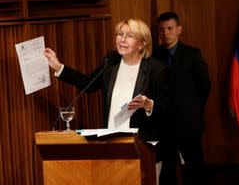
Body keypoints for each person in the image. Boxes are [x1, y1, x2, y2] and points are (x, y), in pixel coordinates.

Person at [44, 18, 167, 161]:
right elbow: (88, 83)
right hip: (111, 143)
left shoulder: (156, 69)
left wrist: (149, 104)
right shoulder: (111, 61)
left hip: (142, 147)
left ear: (142, 44)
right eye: (120, 34)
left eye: (129, 36)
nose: (122, 39)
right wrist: (59, 67)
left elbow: (167, 109)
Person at [152, 11, 210, 185]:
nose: (165, 33)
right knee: (166, 175)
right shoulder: (154, 55)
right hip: (163, 127)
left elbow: (204, 87)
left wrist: (189, 111)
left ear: (179, 29)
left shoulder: (193, 54)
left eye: (169, 29)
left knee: (193, 174)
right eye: (162, 30)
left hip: (189, 126)